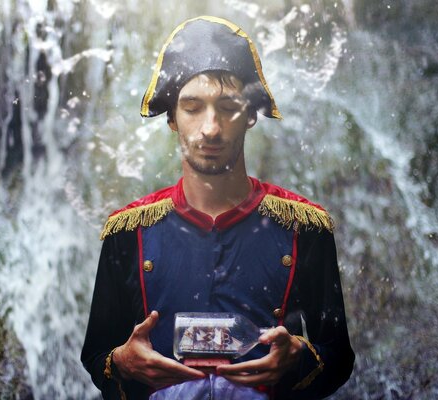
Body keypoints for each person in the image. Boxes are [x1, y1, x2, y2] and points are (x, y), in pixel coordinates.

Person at [81, 15, 354, 400]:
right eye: (192, 107)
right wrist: (123, 361)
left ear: (251, 115)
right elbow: (95, 355)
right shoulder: (127, 232)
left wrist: (298, 357)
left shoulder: (305, 227)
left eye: (228, 107)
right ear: (172, 119)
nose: (211, 127)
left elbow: (339, 356)